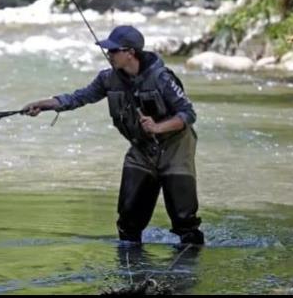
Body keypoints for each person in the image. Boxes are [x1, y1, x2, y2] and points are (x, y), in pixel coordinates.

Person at [24, 25, 204, 245]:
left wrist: (158, 127)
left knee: (184, 219)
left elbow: (188, 113)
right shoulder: (107, 79)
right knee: (128, 221)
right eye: (108, 51)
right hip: (141, 149)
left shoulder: (162, 78)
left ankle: (188, 267)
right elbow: (79, 98)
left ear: (130, 53)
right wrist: (44, 105)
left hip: (176, 148)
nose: (109, 55)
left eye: (113, 51)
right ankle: (132, 270)